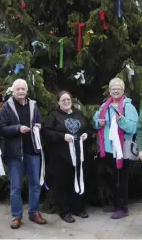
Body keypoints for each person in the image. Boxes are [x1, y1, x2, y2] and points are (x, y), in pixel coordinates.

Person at [0, 79, 47, 229]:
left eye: (23, 89)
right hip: (15, 153)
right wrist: (17, 128)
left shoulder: (33, 105)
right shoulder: (7, 107)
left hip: (32, 151)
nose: (20, 91)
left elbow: (39, 121)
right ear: (13, 91)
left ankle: (34, 212)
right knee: (15, 187)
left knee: (35, 184)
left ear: (27, 91)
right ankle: (17, 216)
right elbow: (1, 128)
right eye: (18, 89)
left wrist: (38, 126)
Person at [93, 77, 138, 219]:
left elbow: (133, 128)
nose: (115, 90)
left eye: (118, 88)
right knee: (113, 178)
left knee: (121, 179)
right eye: (113, 88)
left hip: (122, 149)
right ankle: (115, 203)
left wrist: (122, 120)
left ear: (123, 90)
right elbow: (95, 122)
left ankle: (122, 208)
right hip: (108, 149)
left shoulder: (128, 106)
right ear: (109, 91)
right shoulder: (104, 106)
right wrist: (98, 122)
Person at [44, 91, 90, 223]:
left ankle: (77, 208)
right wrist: (62, 136)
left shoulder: (78, 114)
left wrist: (86, 134)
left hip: (78, 155)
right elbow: (47, 132)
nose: (66, 102)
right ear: (58, 102)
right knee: (62, 184)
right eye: (63, 100)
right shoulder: (53, 116)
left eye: (68, 99)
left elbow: (87, 128)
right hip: (61, 157)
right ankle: (64, 211)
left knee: (77, 180)